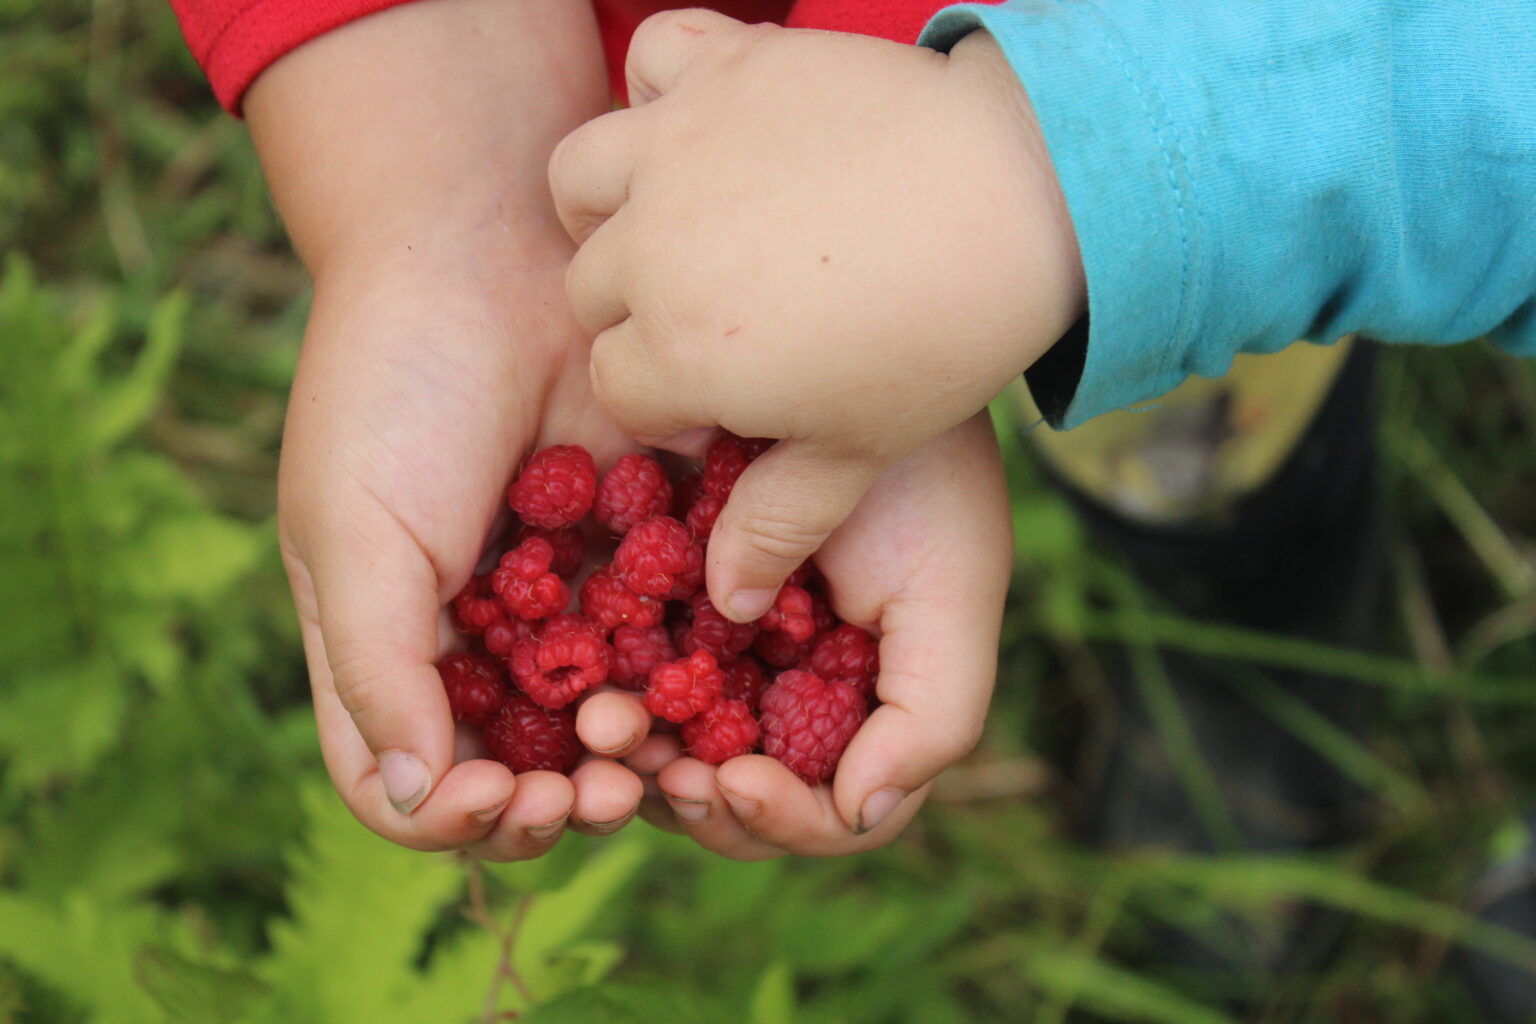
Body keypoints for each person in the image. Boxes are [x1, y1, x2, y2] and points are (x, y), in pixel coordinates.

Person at [169, 0, 1535, 894]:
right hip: (664, 184)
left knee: (1197, 425)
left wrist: (1054, 168)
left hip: (1181, 108)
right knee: (1182, 442)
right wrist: (444, 183)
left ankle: (1241, 664)